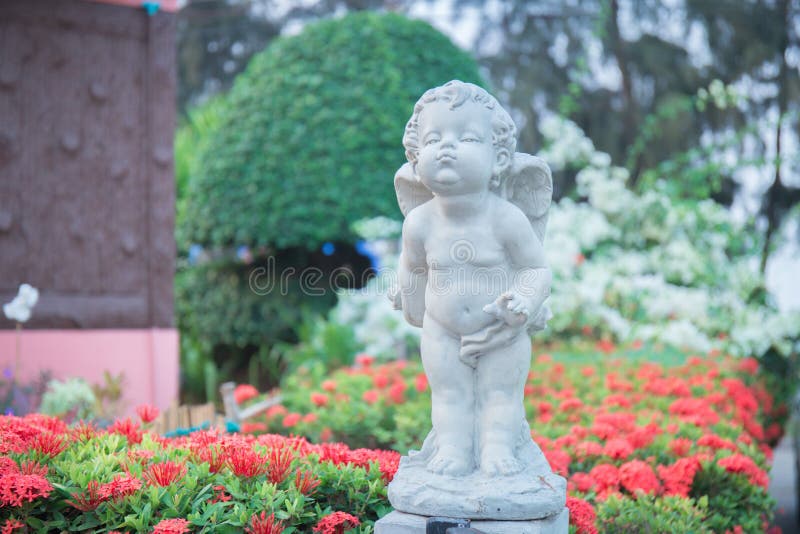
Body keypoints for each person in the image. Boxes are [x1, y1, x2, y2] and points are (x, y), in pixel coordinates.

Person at [393, 80, 553, 476]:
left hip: (502, 332)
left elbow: (537, 268)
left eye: (466, 137)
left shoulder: (506, 218)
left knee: (500, 395)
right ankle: (453, 449)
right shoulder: (419, 222)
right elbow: (412, 267)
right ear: (415, 159)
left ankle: (498, 448)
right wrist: (406, 294)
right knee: (449, 395)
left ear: (499, 159)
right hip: (441, 330)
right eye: (433, 139)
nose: (446, 146)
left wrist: (525, 301)